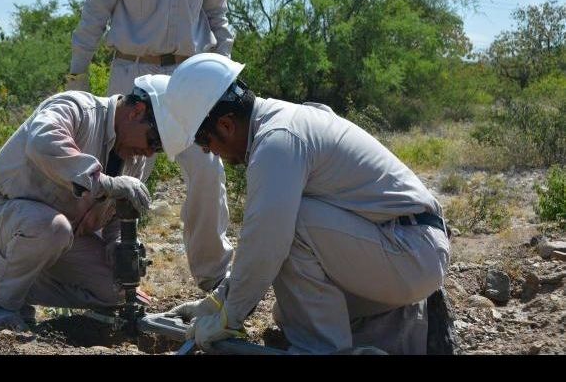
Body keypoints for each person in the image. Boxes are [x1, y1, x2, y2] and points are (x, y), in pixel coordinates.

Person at [157, 53, 451, 354]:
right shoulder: (281, 123)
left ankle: (323, 349)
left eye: (206, 143)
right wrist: (216, 303)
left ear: (226, 125)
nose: (211, 152)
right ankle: (393, 329)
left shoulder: (278, 141)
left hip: (411, 253)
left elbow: (265, 241)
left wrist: (227, 318)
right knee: (289, 312)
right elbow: (258, 247)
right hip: (406, 250)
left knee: (289, 227)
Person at [66, 0, 235, 293]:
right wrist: (77, 74)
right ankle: (103, 275)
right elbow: (96, 9)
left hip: (188, 77)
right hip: (133, 73)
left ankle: (215, 279)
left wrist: (221, 75)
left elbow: (218, 17)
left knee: (208, 170)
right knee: (117, 180)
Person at [0, 75, 169, 331]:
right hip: (0, 214)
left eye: (158, 149)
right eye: (154, 141)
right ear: (137, 112)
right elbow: (42, 142)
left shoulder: (135, 158)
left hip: (61, 236)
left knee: (117, 289)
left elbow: (117, 216)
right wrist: (104, 182)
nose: (151, 152)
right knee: (51, 228)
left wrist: (117, 245)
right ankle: (1, 307)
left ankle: (18, 282)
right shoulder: (77, 107)